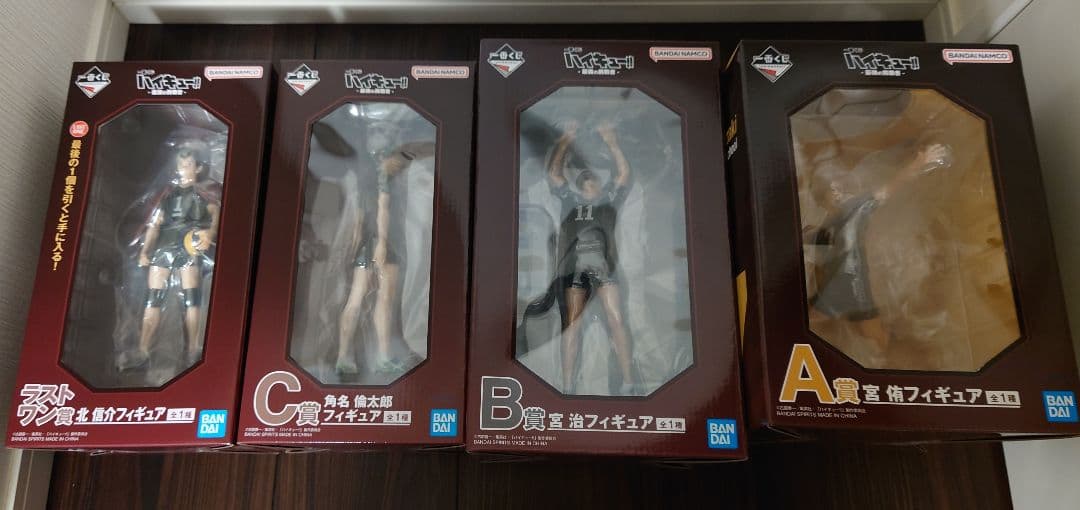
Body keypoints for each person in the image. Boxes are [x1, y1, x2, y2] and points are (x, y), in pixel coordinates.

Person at [805, 143, 951, 367]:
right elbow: (821, 240)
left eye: (836, 188)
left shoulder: (856, 209)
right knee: (863, 330)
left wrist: (918, 163)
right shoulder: (833, 221)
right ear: (823, 198)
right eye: (830, 191)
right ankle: (903, 362)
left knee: (871, 332)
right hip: (841, 283)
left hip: (851, 284)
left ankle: (906, 366)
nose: (837, 193)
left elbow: (889, 188)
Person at [545, 119, 634, 395]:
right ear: (580, 185)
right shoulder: (569, 200)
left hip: (605, 269)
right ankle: (567, 386)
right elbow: (554, 174)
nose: (588, 179)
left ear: (597, 183)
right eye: (583, 178)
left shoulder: (609, 200)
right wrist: (566, 138)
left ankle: (629, 382)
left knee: (616, 319)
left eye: (592, 178)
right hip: (575, 270)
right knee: (572, 326)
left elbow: (623, 174)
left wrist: (612, 142)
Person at [118, 147, 220, 371]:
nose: (183, 169)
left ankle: (193, 349)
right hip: (164, 247)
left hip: (189, 246)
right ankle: (143, 349)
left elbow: (215, 216)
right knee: (153, 299)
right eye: (181, 165)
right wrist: (145, 250)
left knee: (191, 299)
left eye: (188, 165)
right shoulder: (168, 194)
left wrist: (209, 234)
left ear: (198, 168)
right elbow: (155, 225)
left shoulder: (205, 193)